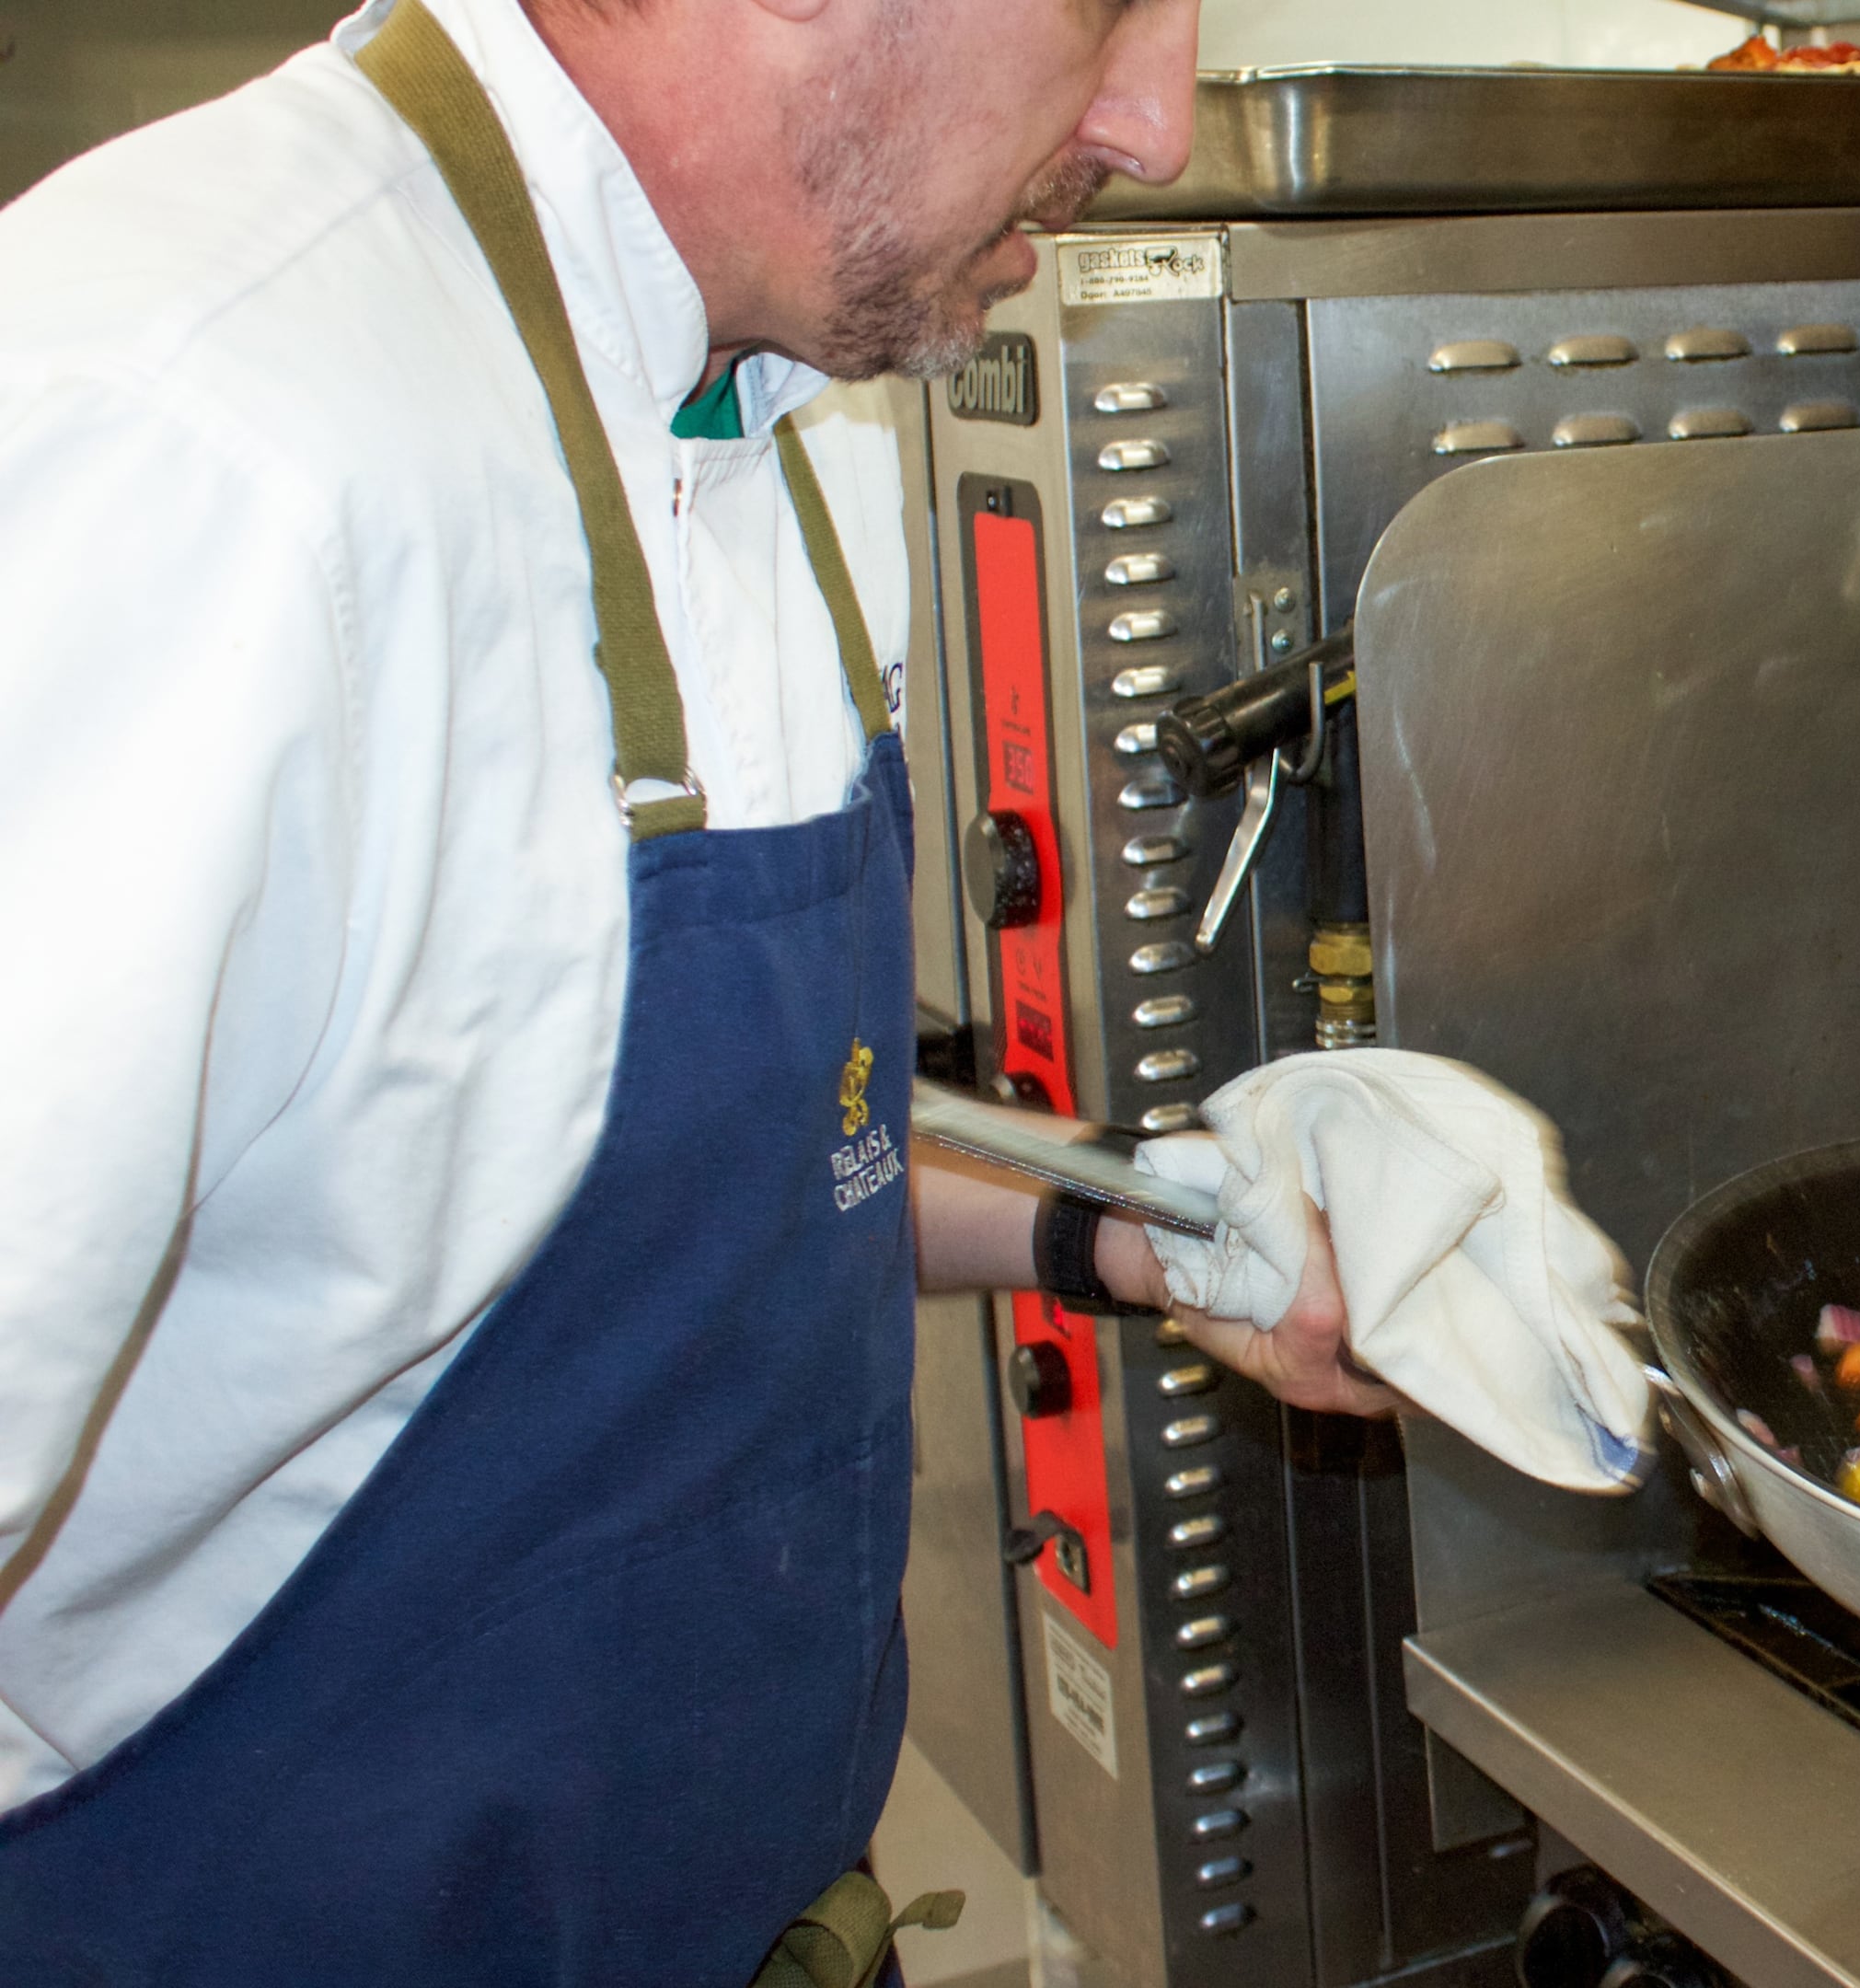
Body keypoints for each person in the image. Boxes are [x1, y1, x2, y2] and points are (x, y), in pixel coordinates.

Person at [0, 0, 1392, 1975]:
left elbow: (709, 1155)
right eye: (1110, 5)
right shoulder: (181, 438)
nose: (1155, 120)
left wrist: (1159, 1235)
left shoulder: (775, 422)